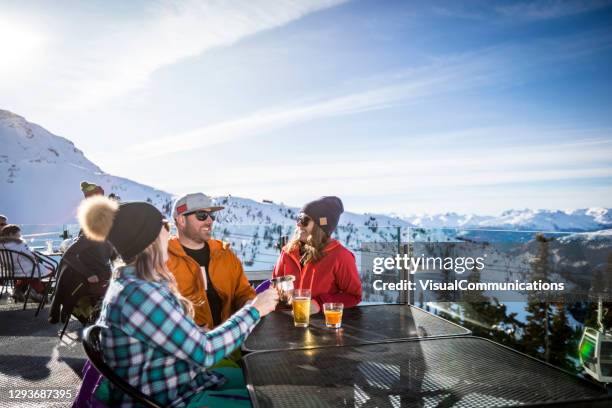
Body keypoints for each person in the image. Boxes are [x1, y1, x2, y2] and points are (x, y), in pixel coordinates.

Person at [76, 195, 278, 407]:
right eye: (163, 226)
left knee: (258, 376)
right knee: (270, 398)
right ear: (149, 239)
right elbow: (205, 352)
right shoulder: (141, 293)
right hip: (174, 398)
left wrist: (194, 329)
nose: (168, 232)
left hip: (179, 377)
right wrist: (255, 310)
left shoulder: (133, 282)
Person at [167, 193, 255, 328]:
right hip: (187, 344)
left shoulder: (225, 255)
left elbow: (243, 292)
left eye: (211, 215)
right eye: (201, 215)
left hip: (230, 340)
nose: (209, 221)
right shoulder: (164, 260)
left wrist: (250, 304)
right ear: (181, 220)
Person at [272, 196, 362, 314]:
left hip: (321, 326)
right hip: (286, 323)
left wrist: (319, 304)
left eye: (304, 220)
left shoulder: (340, 256)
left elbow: (354, 296)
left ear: (321, 225)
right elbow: (274, 286)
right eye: (298, 219)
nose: (299, 224)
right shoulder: (287, 252)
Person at [0, 224, 49, 302]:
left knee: (30, 273)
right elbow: (30, 255)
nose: (20, 236)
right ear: (11, 234)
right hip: (23, 270)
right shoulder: (19, 244)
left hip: (8, 272)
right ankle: (37, 292)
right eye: (18, 234)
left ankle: (18, 290)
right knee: (48, 270)